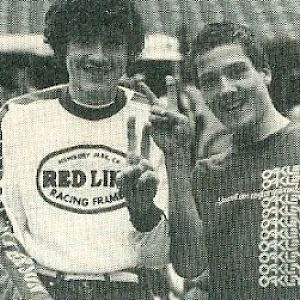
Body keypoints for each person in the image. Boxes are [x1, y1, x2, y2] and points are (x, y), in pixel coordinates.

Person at [0, 0, 169, 299]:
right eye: (85, 42)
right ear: (63, 46)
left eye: (113, 44)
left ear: (130, 52)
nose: (98, 56)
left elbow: (161, 256)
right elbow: (6, 226)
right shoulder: (19, 117)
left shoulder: (155, 120)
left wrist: (144, 213)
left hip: (130, 288)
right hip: (43, 288)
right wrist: (32, 292)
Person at [124, 22, 300, 299]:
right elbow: (190, 267)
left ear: (265, 72)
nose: (225, 89)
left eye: (237, 72)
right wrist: (176, 157)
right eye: (210, 81)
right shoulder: (207, 173)